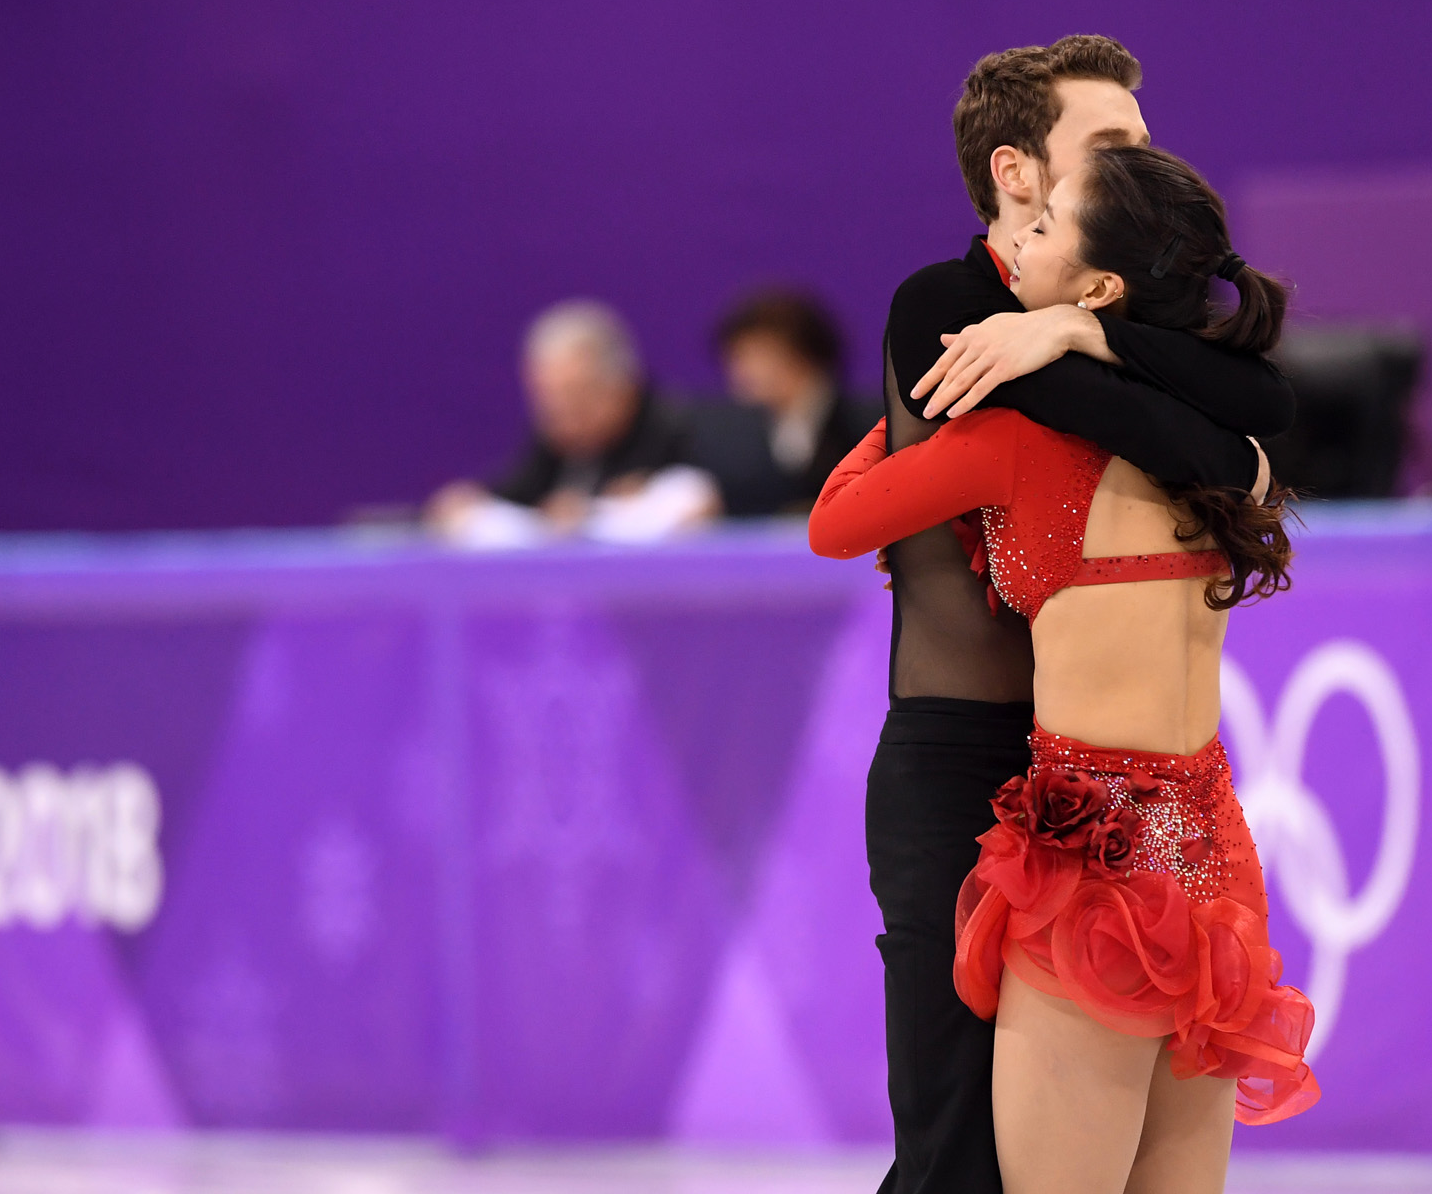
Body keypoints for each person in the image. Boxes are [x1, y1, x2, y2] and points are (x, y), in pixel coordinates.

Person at [813, 143, 1318, 1193]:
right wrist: (1084, 341)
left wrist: (915, 407)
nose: (1017, 241)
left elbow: (837, 524)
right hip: (1210, 852)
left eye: (1042, 229)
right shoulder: (1227, 453)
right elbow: (1240, 419)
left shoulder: (1013, 445)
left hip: (1092, 856)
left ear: (1097, 289)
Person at [426, 299, 720, 546]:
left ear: (623, 387)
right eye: (546, 398)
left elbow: (696, 503)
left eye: (575, 396)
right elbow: (514, 498)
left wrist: (593, 512)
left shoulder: (678, 431)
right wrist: (469, 502)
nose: (559, 413)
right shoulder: (556, 439)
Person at [689, 291, 882, 516]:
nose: (741, 370)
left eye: (757, 355)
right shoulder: (733, 440)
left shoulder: (870, 426)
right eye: (735, 357)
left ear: (804, 354)